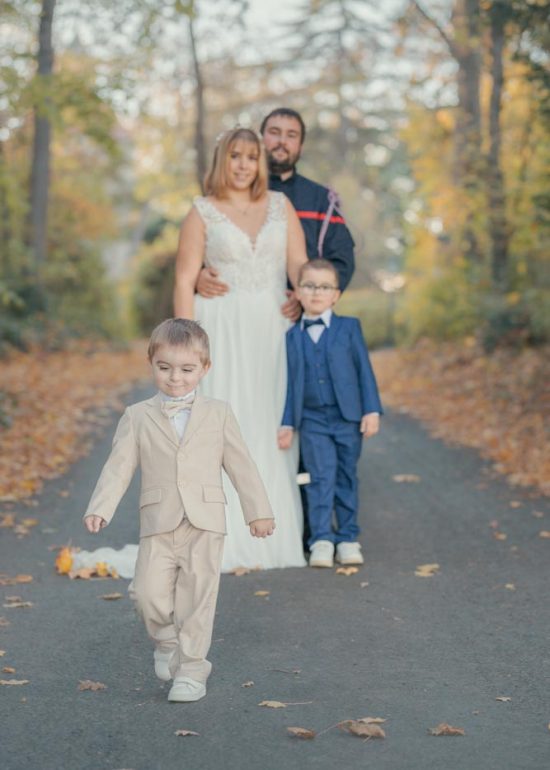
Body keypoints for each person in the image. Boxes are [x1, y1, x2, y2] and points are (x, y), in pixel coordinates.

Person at [83, 319, 275, 703]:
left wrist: (257, 511)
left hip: (206, 520)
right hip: (159, 520)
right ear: (151, 364)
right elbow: (118, 467)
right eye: (165, 368)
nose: (175, 378)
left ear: (205, 368)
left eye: (187, 369)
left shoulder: (219, 413)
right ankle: (167, 641)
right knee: (146, 593)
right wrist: (100, 507)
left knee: (197, 598)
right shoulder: (137, 416)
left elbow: (241, 464)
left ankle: (192, 670)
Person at [173, 127, 308, 571]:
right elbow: (184, 280)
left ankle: (272, 537)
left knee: (269, 426)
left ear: (260, 163)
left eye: (252, 157)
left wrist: (307, 297)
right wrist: (185, 351)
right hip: (221, 331)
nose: (244, 165)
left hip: (272, 331)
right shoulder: (202, 212)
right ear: (222, 161)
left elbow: (298, 266)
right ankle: (219, 538)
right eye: (235, 156)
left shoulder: (280, 207)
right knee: (223, 427)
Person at [196, 108, 355, 322]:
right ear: (260, 139)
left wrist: (309, 297)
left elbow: (341, 259)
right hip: (230, 312)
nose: (282, 141)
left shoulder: (320, 200)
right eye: (274, 132)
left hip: (298, 318)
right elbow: (208, 247)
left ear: (300, 145)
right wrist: (198, 276)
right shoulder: (229, 193)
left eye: (291, 135)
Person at [277, 259, 382, 569]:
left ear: (335, 295)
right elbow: (291, 385)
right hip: (312, 421)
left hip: (348, 418)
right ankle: (321, 539)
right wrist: (287, 422)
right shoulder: (291, 337)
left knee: (346, 476)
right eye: (309, 285)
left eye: (324, 287)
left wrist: (371, 410)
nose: (316, 292)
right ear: (298, 292)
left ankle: (347, 538)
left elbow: (364, 371)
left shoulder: (349, 328)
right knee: (319, 478)